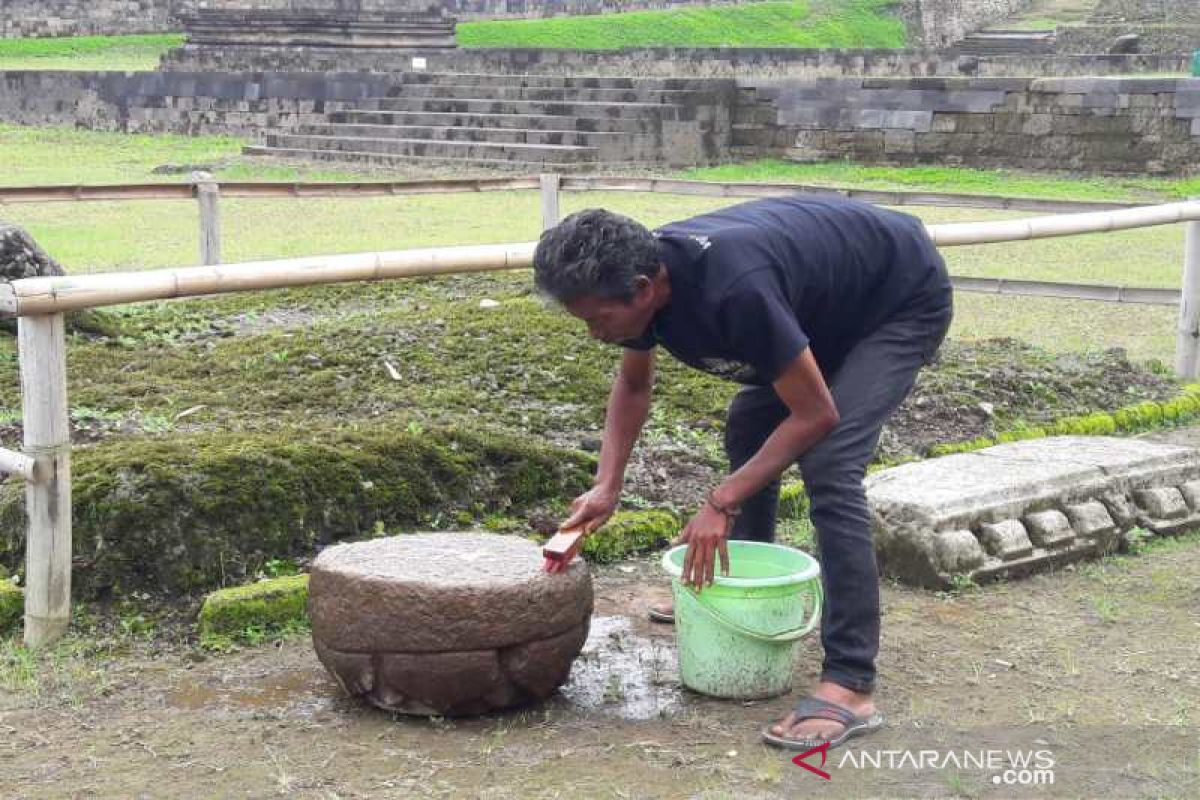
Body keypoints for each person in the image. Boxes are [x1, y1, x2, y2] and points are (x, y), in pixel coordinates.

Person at [532, 194, 952, 751]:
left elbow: (817, 413)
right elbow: (634, 385)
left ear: (644, 288)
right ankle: (740, 590)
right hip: (822, 303)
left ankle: (850, 682)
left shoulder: (733, 289)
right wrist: (608, 485)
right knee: (749, 423)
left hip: (897, 296)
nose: (595, 334)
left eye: (598, 320)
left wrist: (722, 500)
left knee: (831, 461)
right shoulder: (638, 283)